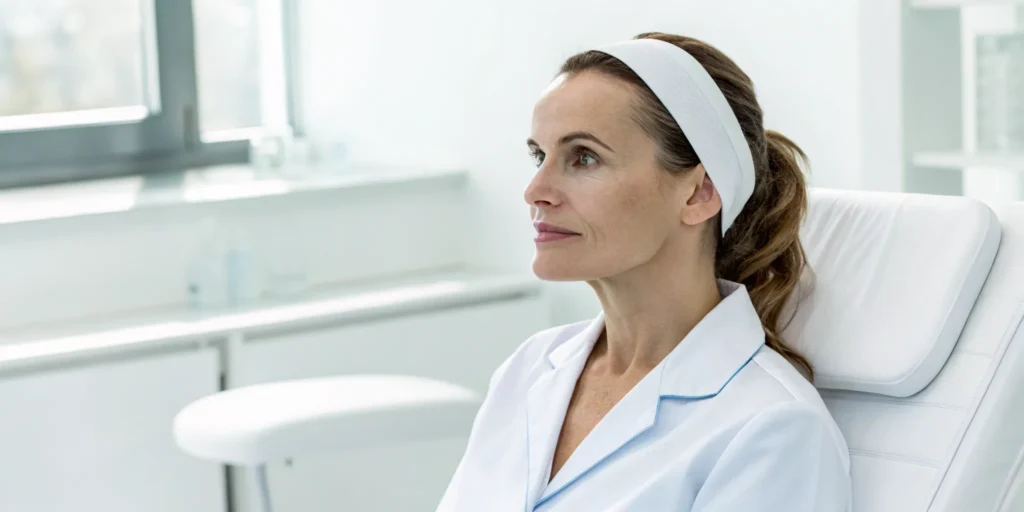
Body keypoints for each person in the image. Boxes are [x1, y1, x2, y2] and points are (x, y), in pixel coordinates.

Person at [437, 32, 851, 511]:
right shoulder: (529, 369)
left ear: (698, 194)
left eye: (584, 157)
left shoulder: (774, 428)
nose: (536, 189)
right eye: (539, 155)